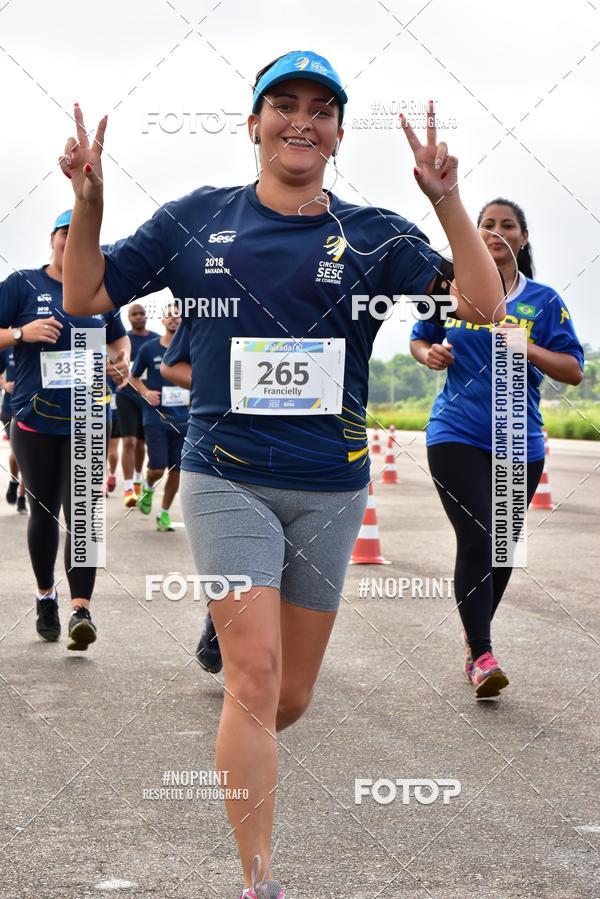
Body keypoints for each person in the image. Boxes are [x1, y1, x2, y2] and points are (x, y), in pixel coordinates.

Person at [60, 50, 504, 897]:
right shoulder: (197, 221)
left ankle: (233, 652)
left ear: (337, 133)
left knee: (288, 695)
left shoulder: (374, 235)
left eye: (321, 109)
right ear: (255, 122)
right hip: (225, 473)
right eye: (283, 104)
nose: (301, 119)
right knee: (254, 679)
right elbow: (85, 294)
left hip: (332, 488)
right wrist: (90, 201)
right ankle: (257, 880)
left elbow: (481, 308)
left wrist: (447, 201)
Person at [410, 197, 584, 698]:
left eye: (507, 225)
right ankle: (483, 654)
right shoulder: (447, 290)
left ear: (522, 238)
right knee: (480, 535)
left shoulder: (544, 300)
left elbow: (572, 370)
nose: (495, 232)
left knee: (504, 549)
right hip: (455, 432)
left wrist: (524, 344)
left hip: (519, 440)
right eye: (486, 224)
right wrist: (431, 354)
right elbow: (419, 341)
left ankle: (473, 642)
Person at [0, 209, 130, 650]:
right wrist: (21, 333)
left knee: (85, 518)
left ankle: (81, 609)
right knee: (44, 513)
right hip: (36, 420)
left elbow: (118, 338)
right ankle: (44, 596)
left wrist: (120, 359)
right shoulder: (22, 283)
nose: (72, 240)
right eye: (65, 233)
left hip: (89, 418)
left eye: (82, 235)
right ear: (52, 239)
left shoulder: (100, 289)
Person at [161, 323, 223, 673]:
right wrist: (224, 384)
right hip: (228, 453)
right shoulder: (213, 292)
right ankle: (219, 624)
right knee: (243, 567)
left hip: (315, 457)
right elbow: (172, 365)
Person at [129, 304, 189, 531]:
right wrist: (145, 392)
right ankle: (148, 485)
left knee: (177, 471)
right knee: (157, 467)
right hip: (156, 418)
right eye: (170, 316)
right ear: (162, 321)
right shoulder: (148, 348)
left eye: (178, 317)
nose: (174, 320)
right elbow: (133, 378)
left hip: (184, 419)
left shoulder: (191, 347)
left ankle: (163, 513)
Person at [115, 302, 159, 507]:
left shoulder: (156, 340)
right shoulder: (124, 341)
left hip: (148, 396)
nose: (138, 317)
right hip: (126, 395)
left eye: (142, 313)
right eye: (134, 314)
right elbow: (115, 365)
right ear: (129, 317)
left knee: (142, 443)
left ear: (146, 316)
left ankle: (139, 478)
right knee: (129, 442)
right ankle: (128, 488)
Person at [0, 347, 27, 512]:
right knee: (18, 453)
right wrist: (5, 384)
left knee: (29, 456)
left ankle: (22, 497)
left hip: (33, 409)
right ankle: (13, 480)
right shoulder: (6, 347)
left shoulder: (41, 342)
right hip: (10, 408)